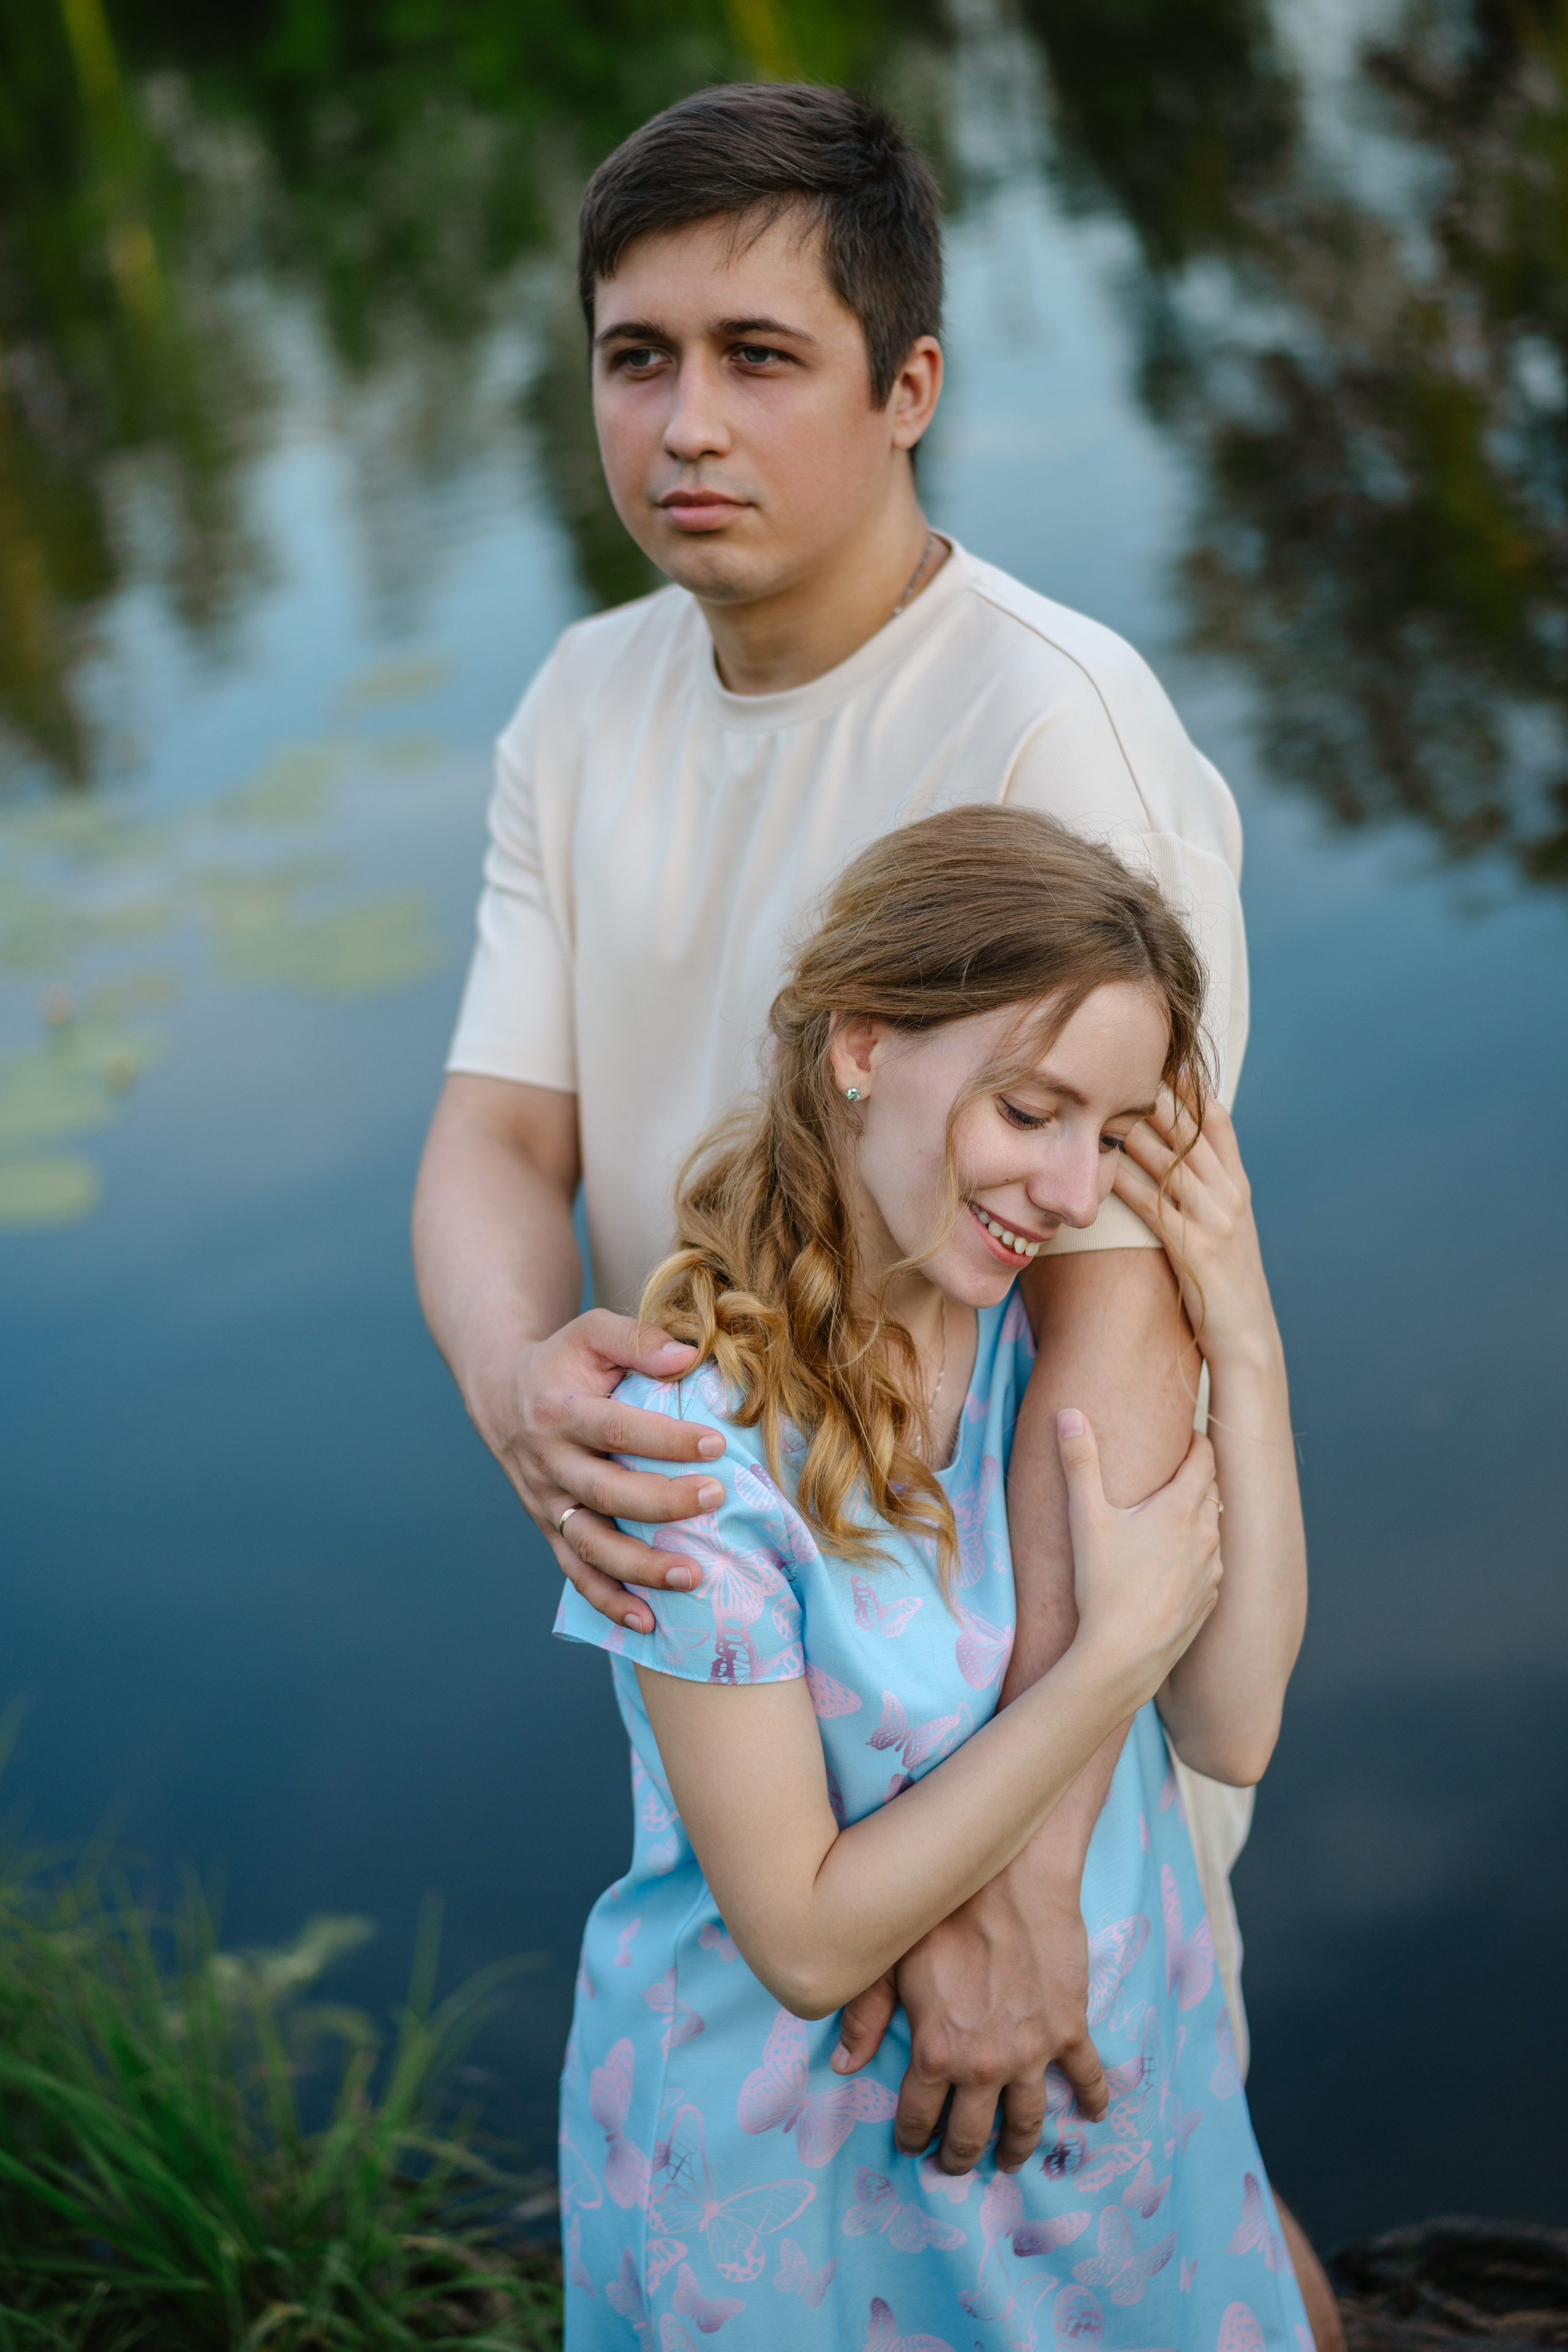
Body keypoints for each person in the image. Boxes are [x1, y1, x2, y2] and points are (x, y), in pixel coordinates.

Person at [412, 80, 1338, 2334]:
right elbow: (495, 1145)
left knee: (1137, 2168)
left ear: (907, 386)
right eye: (640, 357)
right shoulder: (583, 696)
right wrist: (532, 1376)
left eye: (761, 357)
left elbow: (1114, 1315)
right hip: (763, 1564)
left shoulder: (1051, 727)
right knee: (892, 2223)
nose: (686, 425)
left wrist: (1025, 1843)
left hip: (1029, 1650)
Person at [553, 805, 1310, 2350]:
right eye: (1029, 1111)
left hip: (1103, 2134)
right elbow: (808, 1935)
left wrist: (1242, 1328)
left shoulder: (1070, 1354)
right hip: (805, 2184)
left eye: (1108, 1137)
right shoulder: (694, 1454)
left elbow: (1232, 1726)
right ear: (859, 1045)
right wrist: (1105, 1667)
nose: (1065, 1185)